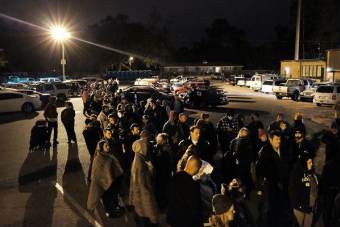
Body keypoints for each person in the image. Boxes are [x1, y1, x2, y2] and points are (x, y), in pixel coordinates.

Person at [256, 130, 289, 227]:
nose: (279, 141)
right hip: (269, 183)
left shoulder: (282, 148)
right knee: (268, 206)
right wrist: (272, 175)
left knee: (278, 204)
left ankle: (275, 222)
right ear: (270, 140)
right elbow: (259, 168)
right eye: (277, 139)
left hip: (280, 181)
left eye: (280, 139)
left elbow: (285, 163)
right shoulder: (265, 151)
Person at [129, 130, 160, 226]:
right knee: (146, 218)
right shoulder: (141, 163)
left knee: (140, 214)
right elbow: (147, 180)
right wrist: (151, 168)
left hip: (138, 197)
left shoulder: (137, 158)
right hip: (144, 196)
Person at [87, 141, 124, 217]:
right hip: (104, 181)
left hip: (113, 179)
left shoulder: (111, 154)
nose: (108, 147)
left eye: (108, 145)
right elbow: (97, 172)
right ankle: (108, 211)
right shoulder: (99, 158)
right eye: (106, 146)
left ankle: (115, 205)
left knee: (114, 194)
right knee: (106, 196)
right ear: (101, 148)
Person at [166, 155, 204, 227]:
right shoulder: (192, 184)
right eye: (199, 168)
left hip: (172, 217)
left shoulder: (174, 177)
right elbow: (195, 207)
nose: (199, 171)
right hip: (185, 221)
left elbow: (167, 193)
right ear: (195, 168)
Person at [289, 155, 318, 227]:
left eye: (311, 162)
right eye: (309, 162)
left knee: (307, 225)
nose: (312, 164)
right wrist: (298, 204)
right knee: (298, 224)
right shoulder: (297, 175)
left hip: (310, 206)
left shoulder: (312, 173)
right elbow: (292, 190)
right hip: (300, 207)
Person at [152, 133, 173, 211]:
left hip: (164, 172)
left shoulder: (167, 148)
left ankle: (163, 205)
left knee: (163, 189)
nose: (158, 141)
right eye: (158, 139)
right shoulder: (157, 147)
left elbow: (169, 159)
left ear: (164, 140)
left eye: (160, 140)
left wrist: (161, 155)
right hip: (159, 172)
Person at [320, 155, 340, 227]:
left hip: (330, 191)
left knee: (328, 210)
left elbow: (323, 180)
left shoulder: (328, 165)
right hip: (332, 191)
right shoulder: (330, 166)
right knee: (331, 210)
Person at [83, 118, 101, 182]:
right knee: (92, 163)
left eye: (92, 124)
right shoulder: (86, 132)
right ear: (86, 125)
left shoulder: (92, 129)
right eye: (90, 124)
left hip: (96, 148)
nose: (92, 125)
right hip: (92, 150)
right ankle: (89, 177)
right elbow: (91, 136)